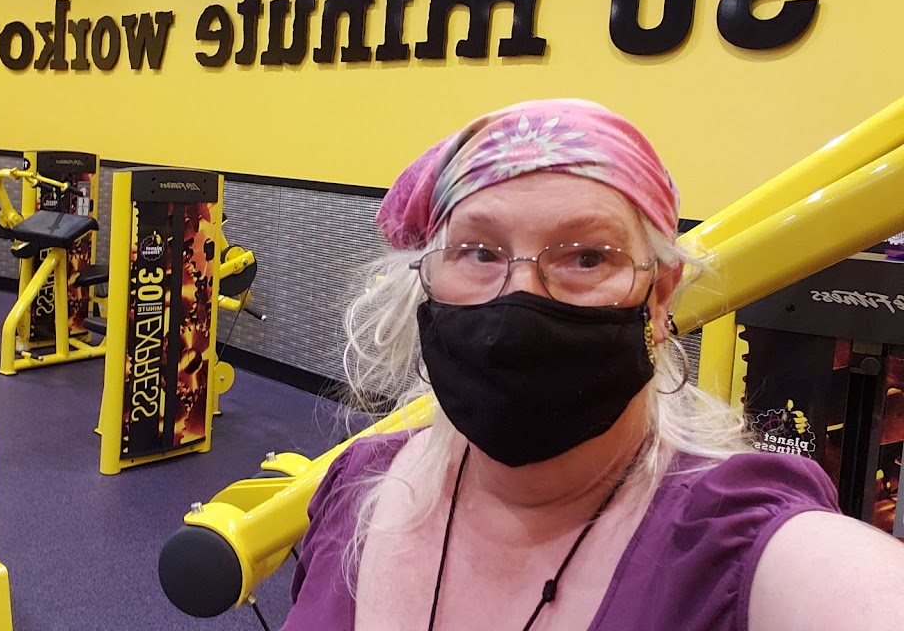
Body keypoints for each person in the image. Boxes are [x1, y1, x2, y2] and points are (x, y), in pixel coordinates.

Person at [282, 98, 904, 630]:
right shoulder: (355, 485)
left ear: (659, 296)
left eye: (587, 258)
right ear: (427, 281)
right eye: (479, 252)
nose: (520, 301)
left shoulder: (738, 546)